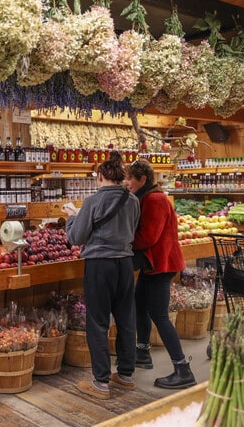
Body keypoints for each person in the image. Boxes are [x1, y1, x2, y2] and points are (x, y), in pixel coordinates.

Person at [63, 151, 140, 400]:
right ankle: (126, 375)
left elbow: (76, 237)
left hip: (99, 266)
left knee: (97, 322)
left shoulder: (93, 202)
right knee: (126, 318)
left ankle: (101, 383)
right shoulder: (133, 201)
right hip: (125, 264)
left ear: (99, 176)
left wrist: (71, 217)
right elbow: (132, 230)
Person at [126, 159, 196, 389]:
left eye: (130, 179)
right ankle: (143, 353)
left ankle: (182, 369)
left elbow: (149, 237)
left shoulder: (155, 200)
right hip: (153, 264)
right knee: (140, 303)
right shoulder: (147, 197)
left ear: (143, 179)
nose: (127, 183)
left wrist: (124, 243)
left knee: (160, 315)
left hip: (162, 264)